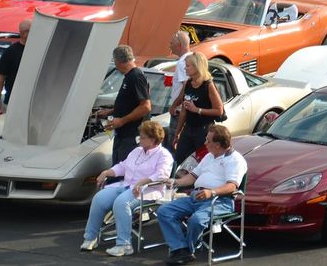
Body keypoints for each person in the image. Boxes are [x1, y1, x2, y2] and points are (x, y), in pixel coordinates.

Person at [157, 124, 247, 266]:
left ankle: (186, 250)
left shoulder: (235, 160)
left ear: (217, 144)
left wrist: (211, 192)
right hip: (196, 196)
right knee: (164, 211)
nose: (205, 143)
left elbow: (232, 186)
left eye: (208, 141)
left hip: (219, 201)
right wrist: (175, 182)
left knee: (196, 220)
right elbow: (193, 176)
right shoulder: (209, 156)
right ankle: (181, 249)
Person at [81, 120, 174, 256]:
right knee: (99, 198)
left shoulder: (164, 155)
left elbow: (162, 175)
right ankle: (90, 237)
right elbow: (123, 166)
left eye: (142, 137)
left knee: (121, 203)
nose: (139, 140)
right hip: (126, 186)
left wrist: (143, 182)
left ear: (153, 139)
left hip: (148, 191)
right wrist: (106, 172)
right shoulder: (137, 151)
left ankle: (124, 244)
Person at [100, 45, 152, 165]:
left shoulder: (136, 76)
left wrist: (122, 120)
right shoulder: (129, 76)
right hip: (122, 134)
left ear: (118, 61)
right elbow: (130, 103)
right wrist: (111, 111)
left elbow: (145, 106)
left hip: (131, 135)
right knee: (117, 168)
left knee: (124, 169)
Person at [171, 52, 224, 165]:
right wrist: (178, 132)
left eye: (188, 66)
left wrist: (197, 110)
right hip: (188, 128)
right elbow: (184, 111)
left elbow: (219, 110)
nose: (185, 68)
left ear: (197, 67)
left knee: (201, 162)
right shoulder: (188, 84)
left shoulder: (208, 85)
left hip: (204, 130)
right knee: (179, 159)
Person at [0, 17, 29, 116]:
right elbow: (0, 78)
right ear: (23, 33)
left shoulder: (38, 50)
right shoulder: (11, 52)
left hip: (32, 102)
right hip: (12, 102)